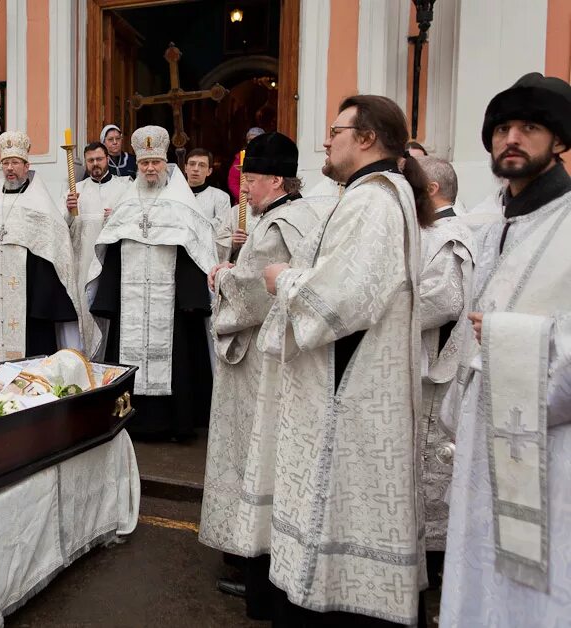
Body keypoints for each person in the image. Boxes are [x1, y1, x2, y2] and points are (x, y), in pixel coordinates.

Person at [258, 95, 434, 626]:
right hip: (346, 381)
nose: (325, 141)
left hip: (347, 392)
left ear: (366, 138)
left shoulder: (372, 200)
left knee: (335, 508)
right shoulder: (373, 194)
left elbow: (341, 299)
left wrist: (281, 279)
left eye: (335, 130)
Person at [438, 72, 571, 628]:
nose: (511, 138)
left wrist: (508, 336)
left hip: (552, 450)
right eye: (502, 128)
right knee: (478, 571)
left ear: (560, 142)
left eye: (530, 127)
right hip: (481, 438)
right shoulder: (489, 226)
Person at [199, 132, 330, 621]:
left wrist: (219, 278)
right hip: (284, 357)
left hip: (258, 361)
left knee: (251, 452)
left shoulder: (276, 225)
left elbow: (253, 294)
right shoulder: (305, 215)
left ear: (276, 179)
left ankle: (250, 552)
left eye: (250, 181)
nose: (244, 191)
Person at [87, 125, 216, 441]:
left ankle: (175, 424)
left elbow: (195, 252)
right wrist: (108, 298)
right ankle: (130, 421)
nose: (149, 168)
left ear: (165, 163)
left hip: (170, 308)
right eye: (144, 163)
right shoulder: (126, 205)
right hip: (129, 301)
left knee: (177, 361)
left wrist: (191, 299)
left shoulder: (181, 205)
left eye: (155, 162)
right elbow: (111, 251)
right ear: (138, 165)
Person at [0, 131, 86, 365]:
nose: (10, 168)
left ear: (26, 166)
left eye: (15, 163)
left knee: (33, 350)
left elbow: (55, 244)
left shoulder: (41, 203)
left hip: (32, 293)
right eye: (5, 163)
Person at [412, 155, 475, 591]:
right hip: (426, 366)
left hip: (436, 372)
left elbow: (444, 301)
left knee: (433, 465)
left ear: (432, 191)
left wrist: (389, 307)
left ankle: (433, 563)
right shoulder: (435, 230)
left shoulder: (449, 235)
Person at [65, 141, 131, 357]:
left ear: (107, 159)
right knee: (85, 313)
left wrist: (118, 217)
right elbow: (62, 228)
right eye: (91, 160)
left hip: (112, 265)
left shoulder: (125, 187)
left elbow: (134, 221)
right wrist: (68, 211)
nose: (95, 164)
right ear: (85, 162)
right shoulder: (76, 191)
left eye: (99, 159)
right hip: (82, 265)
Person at [226, 126, 266, 202]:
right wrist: (245, 198)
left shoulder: (271, 157)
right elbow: (233, 182)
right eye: (250, 140)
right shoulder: (240, 158)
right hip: (245, 202)